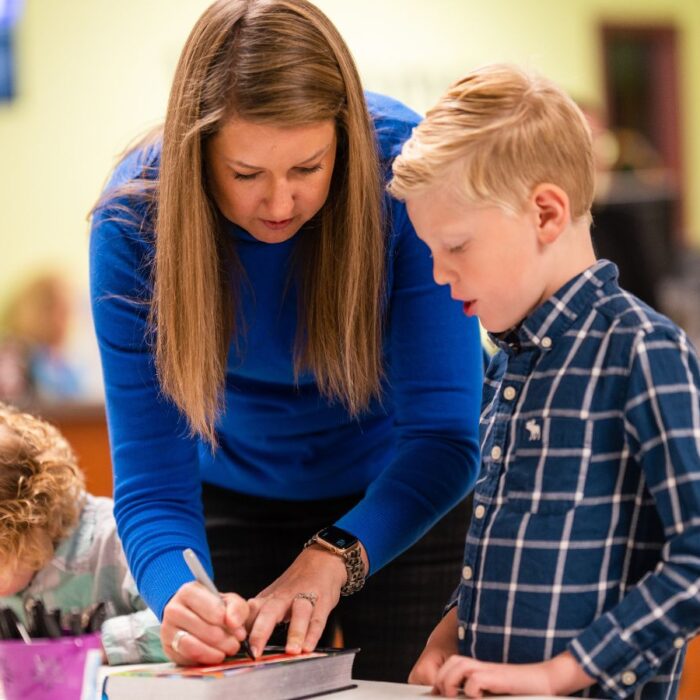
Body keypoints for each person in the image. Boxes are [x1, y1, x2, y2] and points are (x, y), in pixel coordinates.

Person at [89, 0, 482, 681]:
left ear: (345, 142)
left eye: (308, 168)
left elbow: (446, 438)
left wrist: (336, 556)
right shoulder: (132, 224)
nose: (278, 204)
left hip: (407, 496)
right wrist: (180, 600)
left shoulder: (407, 176)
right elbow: (152, 486)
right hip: (231, 502)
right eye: (245, 175)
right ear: (196, 150)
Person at [388, 64, 700, 698]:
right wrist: (447, 635)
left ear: (546, 214)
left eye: (456, 245)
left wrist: (558, 674)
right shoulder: (506, 366)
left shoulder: (644, 351)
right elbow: (505, 540)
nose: (440, 274)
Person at [0, 403, 166, 664]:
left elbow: (186, 623)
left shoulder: (115, 539)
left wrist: (96, 646)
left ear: (28, 531)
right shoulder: (12, 569)